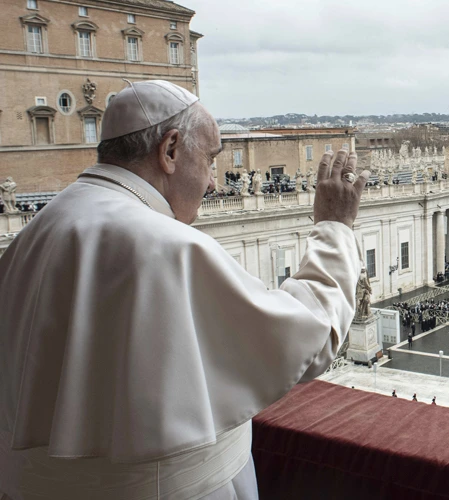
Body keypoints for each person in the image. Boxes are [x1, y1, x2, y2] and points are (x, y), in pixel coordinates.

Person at [0, 81, 370, 499]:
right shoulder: (166, 245)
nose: (213, 183)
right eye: (211, 161)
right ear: (170, 150)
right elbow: (312, 339)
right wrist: (335, 226)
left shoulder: (37, 231)